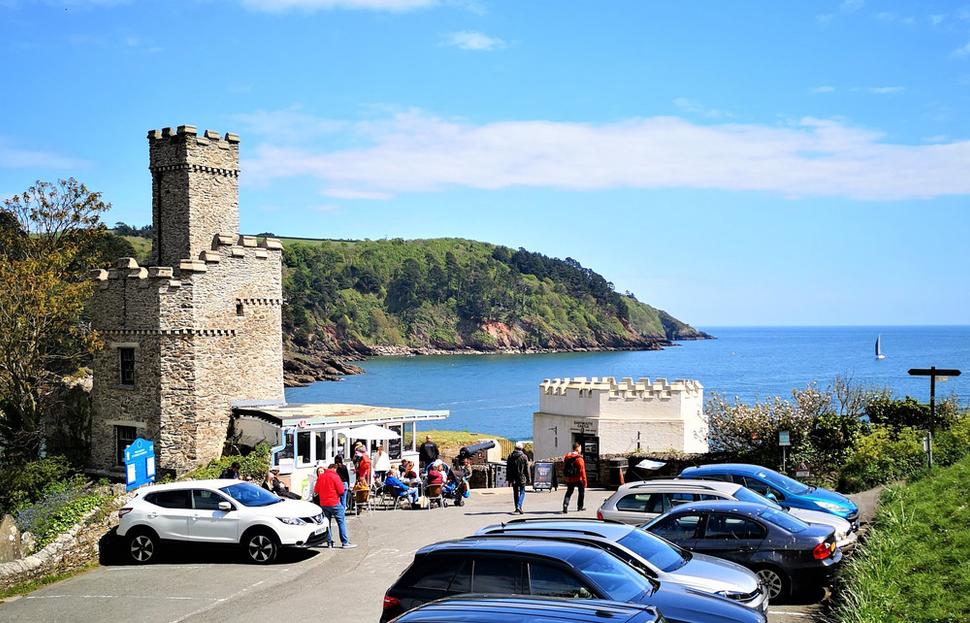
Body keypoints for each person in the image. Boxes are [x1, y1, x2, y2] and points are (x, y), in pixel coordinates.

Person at [314, 464, 357, 549]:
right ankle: (345, 542)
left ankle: (329, 542)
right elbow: (341, 491)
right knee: (341, 522)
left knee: (327, 523)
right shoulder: (335, 476)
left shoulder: (321, 477)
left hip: (324, 503)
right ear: (334, 469)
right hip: (334, 502)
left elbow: (316, 490)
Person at [561, 442, 588, 513]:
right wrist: (585, 481)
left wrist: (565, 476)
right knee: (581, 492)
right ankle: (580, 506)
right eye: (580, 448)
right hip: (578, 478)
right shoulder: (579, 458)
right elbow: (582, 471)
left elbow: (565, 467)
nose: (581, 449)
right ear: (577, 448)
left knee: (569, 492)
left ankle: (565, 505)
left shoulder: (567, 456)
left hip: (570, 478)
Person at [506, 441, 530, 515]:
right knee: (522, 492)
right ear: (521, 448)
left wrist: (508, 479)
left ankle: (516, 507)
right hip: (522, 477)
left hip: (513, 478)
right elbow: (526, 469)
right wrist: (529, 478)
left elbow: (508, 469)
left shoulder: (510, 456)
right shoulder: (524, 457)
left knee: (515, 492)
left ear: (515, 448)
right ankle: (519, 506)